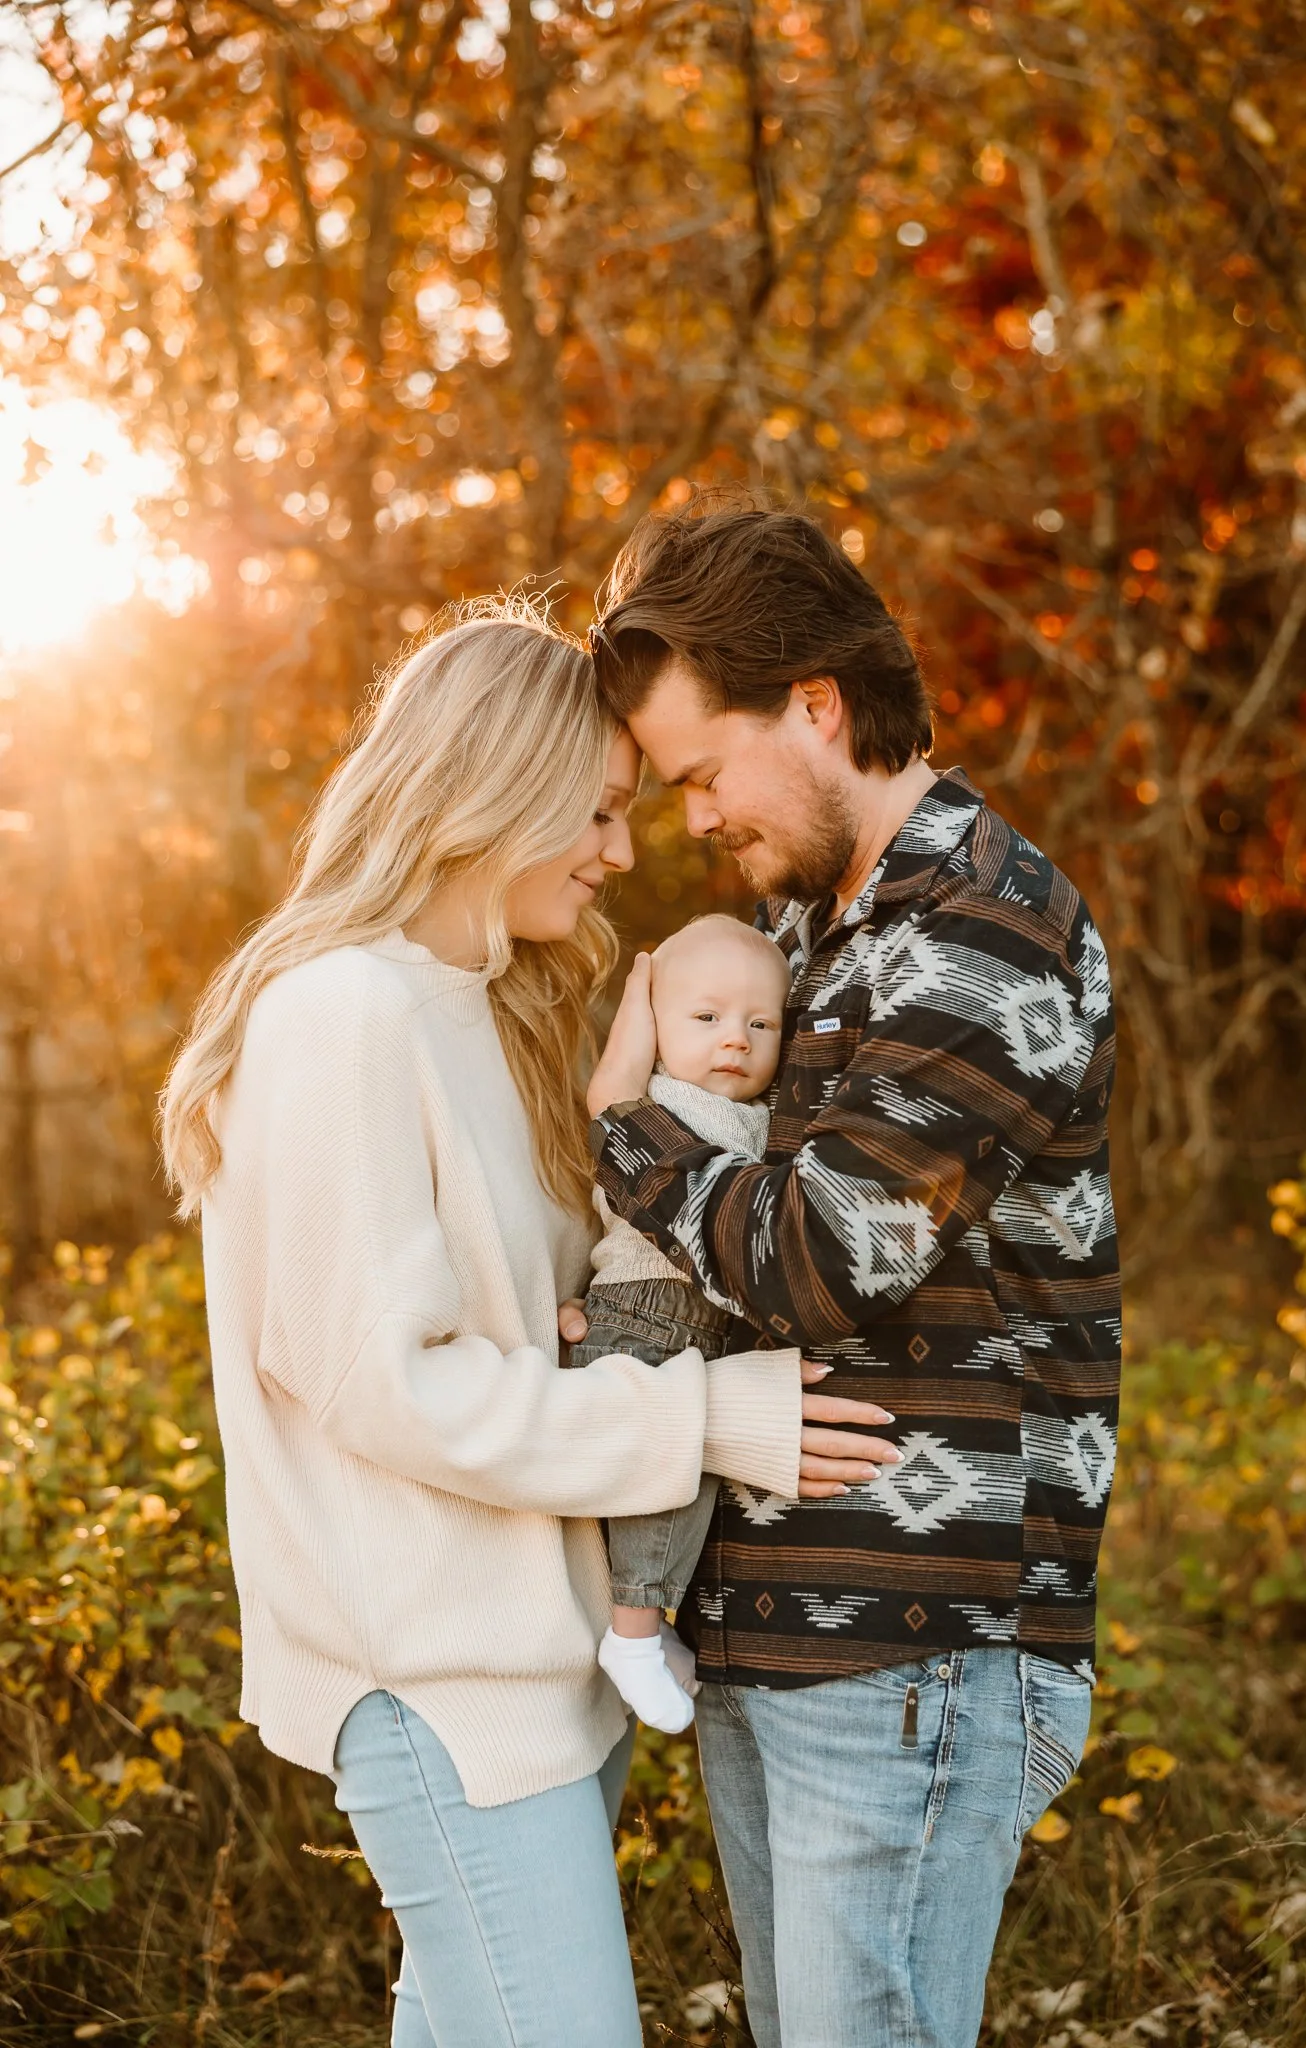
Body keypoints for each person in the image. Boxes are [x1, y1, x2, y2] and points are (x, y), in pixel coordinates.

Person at [158, 599, 903, 2048]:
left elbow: (576, 1312)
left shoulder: (487, 1003)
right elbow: (398, 1389)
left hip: (541, 1662)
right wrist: (709, 1417)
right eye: (603, 813)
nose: (624, 851)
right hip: (441, 1686)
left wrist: (631, 1114)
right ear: (490, 788)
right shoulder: (341, 1015)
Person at [585, 508, 1123, 2048]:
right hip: (778, 1638)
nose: (691, 815)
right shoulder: (802, 929)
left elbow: (823, 1263)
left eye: (702, 773)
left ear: (816, 707)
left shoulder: (980, 931)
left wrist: (625, 1129)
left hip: (913, 1657)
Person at [570, 914, 792, 1733]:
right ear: (659, 1026)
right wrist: (636, 993)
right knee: (660, 1478)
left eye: (759, 1024)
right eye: (705, 1018)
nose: (733, 1039)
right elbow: (609, 1092)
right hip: (647, 1305)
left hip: (695, 1316)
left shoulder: (760, 1112)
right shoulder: (655, 1099)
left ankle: (648, 1628)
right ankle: (633, 1631)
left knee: (688, 1473)